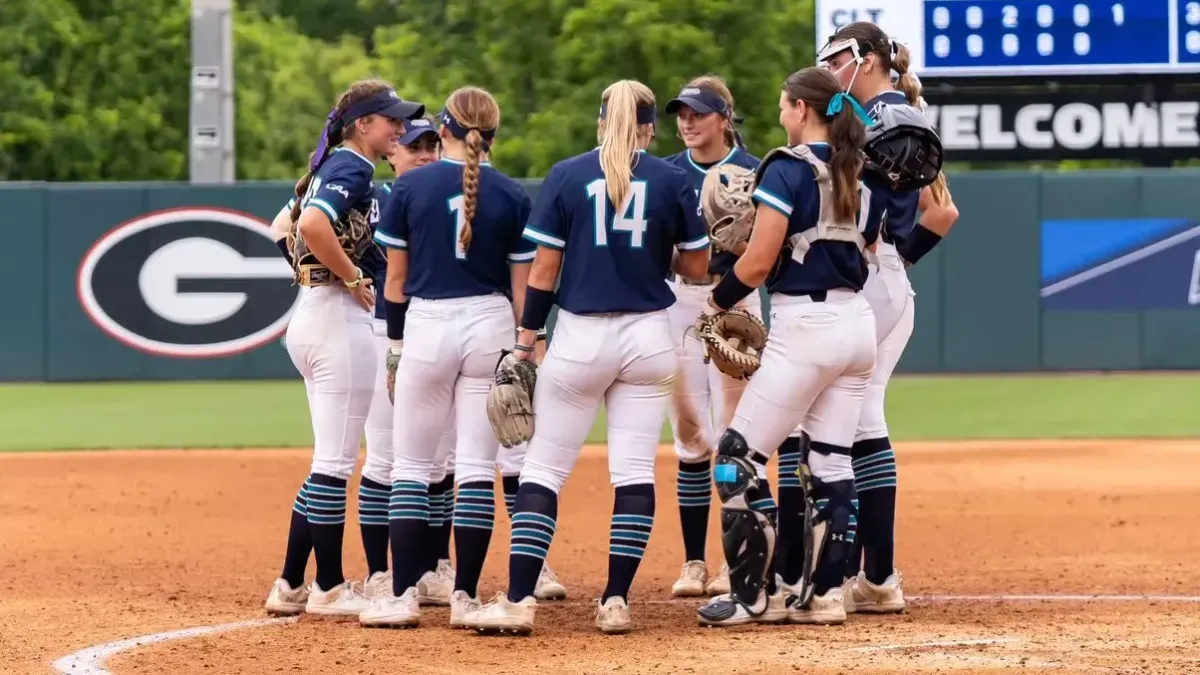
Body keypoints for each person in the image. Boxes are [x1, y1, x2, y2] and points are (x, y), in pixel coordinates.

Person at [464, 79, 711, 636]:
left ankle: (521, 599)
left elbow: (544, 272)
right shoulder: (672, 178)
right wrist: (657, 253)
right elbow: (697, 269)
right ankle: (616, 601)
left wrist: (527, 340)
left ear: (602, 121)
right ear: (650, 127)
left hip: (579, 337)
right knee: (633, 473)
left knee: (543, 471)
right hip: (649, 336)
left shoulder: (568, 174)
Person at [695, 66, 881, 628]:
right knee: (831, 461)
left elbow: (755, 262)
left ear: (803, 109)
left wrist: (715, 304)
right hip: (857, 326)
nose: (780, 114)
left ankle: (753, 597)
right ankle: (823, 595)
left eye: (783, 105)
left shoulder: (784, 168)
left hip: (807, 326)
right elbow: (868, 248)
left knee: (734, 461)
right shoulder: (861, 170)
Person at [358, 86, 536, 629]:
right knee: (478, 469)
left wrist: (394, 346)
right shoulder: (511, 193)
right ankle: (465, 597)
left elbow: (395, 279)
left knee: (411, 468)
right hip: (490, 322)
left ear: (447, 128)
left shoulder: (409, 186)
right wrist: (526, 348)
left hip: (428, 322)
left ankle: (403, 595)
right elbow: (523, 289)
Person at [263, 79, 425, 618]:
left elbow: (278, 227)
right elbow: (309, 225)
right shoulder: (352, 166)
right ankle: (328, 586)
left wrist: (317, 271)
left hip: (311, 316)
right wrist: (351, 274)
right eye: (391, 121)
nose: (399, 129)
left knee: (328, 461)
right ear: (363, 124)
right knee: (334, 464)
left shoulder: (326, 165)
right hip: (336, 319)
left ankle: (290, 583)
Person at [817, 22, 960, 615]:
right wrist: (898, 261)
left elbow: (939, 212)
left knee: (836, 419)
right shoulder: (897, 115)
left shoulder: (881, 119)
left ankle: (852, 571)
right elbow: (942, 212)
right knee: (860, 415)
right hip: (885, 279)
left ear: (867, 59)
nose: (828, 68)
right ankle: (873, 575)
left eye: (837, 58)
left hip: (869, 280)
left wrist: (888, 258)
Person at [660, 76, 764, 600]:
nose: (687, 121)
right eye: (681, 113)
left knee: (734, 435)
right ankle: (694, 562)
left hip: (735, 297)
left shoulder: (755, 171)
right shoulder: (667, 173)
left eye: (698, 113)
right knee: (688, 437)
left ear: (725, 117)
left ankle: (733, 560)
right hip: (678, 299)